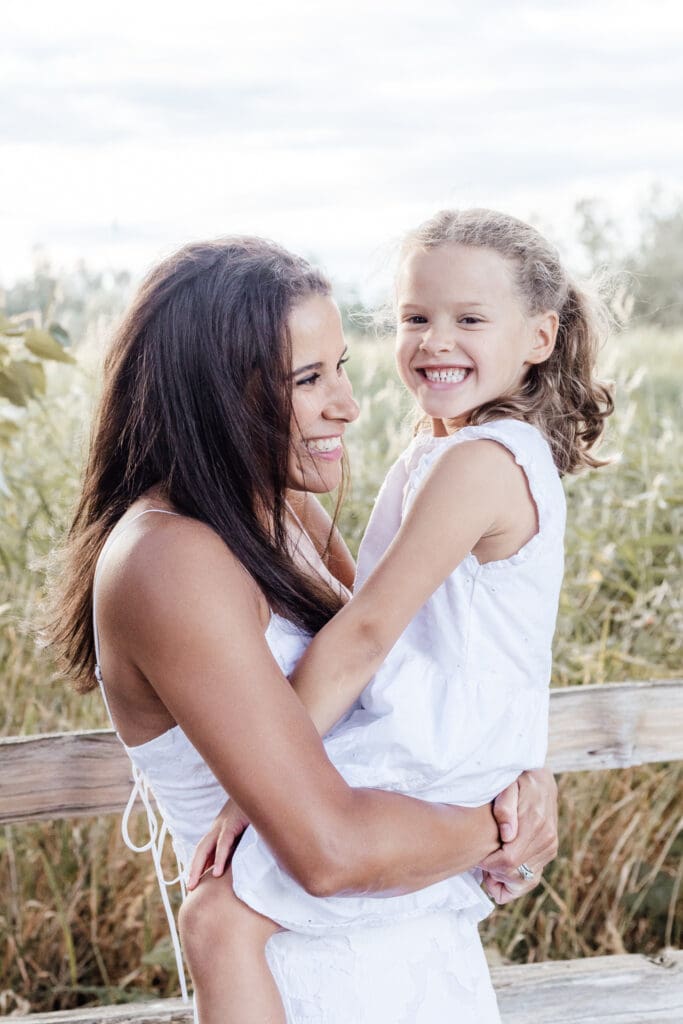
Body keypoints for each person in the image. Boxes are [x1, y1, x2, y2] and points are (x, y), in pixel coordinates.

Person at [50, 235, 559, 1023]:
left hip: (419, 956)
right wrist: (500, 826)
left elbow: (395, 673)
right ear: (217, 392)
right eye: (307, 378)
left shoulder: (282, 510)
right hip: (310, 983)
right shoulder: (168, 561)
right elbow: (329, 852)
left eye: (342, 367)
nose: (347, 405)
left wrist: (519, 781)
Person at [181, 209, 614, 1023]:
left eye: (469, 320)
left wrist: (251, 792)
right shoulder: (446, 452)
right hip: (443, 731)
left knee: (218, 919)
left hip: (432, 737)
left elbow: (368, 629)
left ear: (539, 337)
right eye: (415, 317)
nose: (434, 340)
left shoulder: (481, 461)